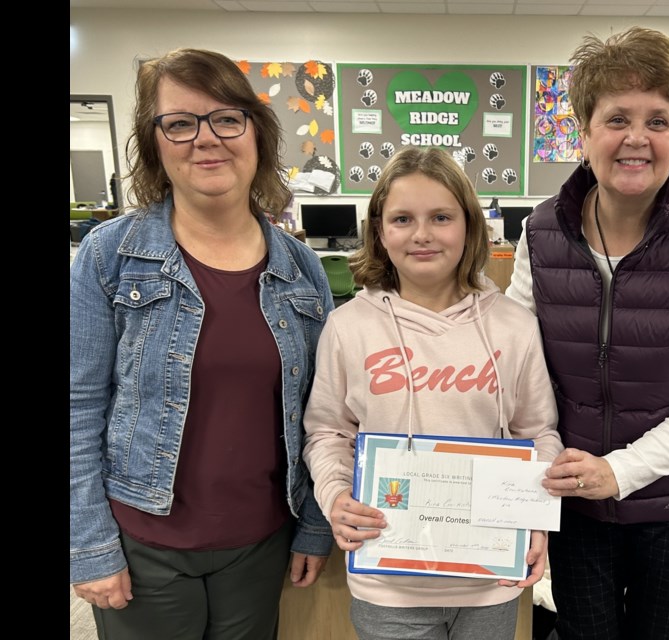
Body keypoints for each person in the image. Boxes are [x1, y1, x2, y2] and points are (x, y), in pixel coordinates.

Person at [70, 48, 335, 639]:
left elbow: (326, 413)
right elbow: (76, 408)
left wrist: (315, 525)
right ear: (155, 140)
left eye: (226, 119)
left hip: (262, 545)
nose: (205, 139)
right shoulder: (109, 256)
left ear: (255, 134)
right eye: (181, 123)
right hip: (144, 547)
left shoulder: (300, 269)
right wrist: (89, 546)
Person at [505, 27, 669, 640]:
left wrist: (622, 471)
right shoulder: (541, 232)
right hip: (574, 499)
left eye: (660, 119)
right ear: (584, 132)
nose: (637, 139)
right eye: (617, 117)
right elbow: (512, 364)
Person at [302, 147, 562, 640]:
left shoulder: (513, 325)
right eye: (403, 218)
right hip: (388, 578)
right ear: (380, 230)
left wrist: (534, 514)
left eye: (441, 217)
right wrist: (335, 495)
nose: (421, 234)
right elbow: (328, 432)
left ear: (468, 225)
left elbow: (538, 433)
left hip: (487, 578)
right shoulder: (348, 327)